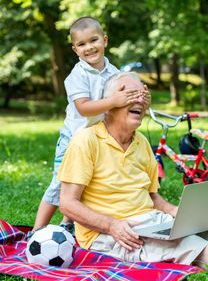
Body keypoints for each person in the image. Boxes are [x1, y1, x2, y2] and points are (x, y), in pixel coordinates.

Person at [58, 72, 208, 269]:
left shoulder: (141, 142)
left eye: (142, 94)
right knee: (187, 244)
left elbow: (152, 197)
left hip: (151, 223)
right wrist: (111, 224)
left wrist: (174, 211)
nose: (139, 99)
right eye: (130, 94)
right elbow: (67, 203)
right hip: (110, 234)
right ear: (108, 104)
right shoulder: (86, 141)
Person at [33, 17, 150, 235]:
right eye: (82, 44)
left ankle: (67, 224)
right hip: (73, 138)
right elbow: (84, 108)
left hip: (98, 139)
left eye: (93, 40)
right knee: (61, 183)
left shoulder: (115, 73)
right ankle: (38, 229)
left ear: (104, 40)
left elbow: (124, 101)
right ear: (75, 49)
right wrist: (114, 101)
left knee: (85, 182)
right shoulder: (77, 76)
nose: (89, 47)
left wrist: (139, 96)